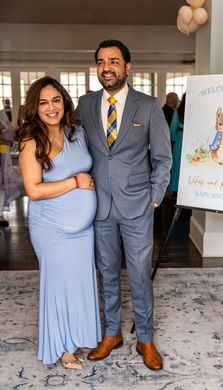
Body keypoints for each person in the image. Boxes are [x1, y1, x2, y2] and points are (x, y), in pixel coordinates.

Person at [76, 39, 172, 371]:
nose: (107, 67)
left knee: (139, 275)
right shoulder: (85, 105)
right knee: (106, 274)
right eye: (101, 61)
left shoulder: (148, 106)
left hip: (137, 206)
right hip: (98, 205)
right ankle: (111, 333)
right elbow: (77, 151)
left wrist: (155, 198)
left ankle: (145, 338)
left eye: (114, 61)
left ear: (127, 67)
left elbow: (162, 158)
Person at [18, 76, 101, 369]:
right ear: (35, 108)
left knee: (78, 285)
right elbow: (34, 190)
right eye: (43, 102)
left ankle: (75, 337)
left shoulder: (77, 132)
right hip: (51, 229)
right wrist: (75, 182)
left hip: (83, 231)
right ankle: (63, 348)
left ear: (64, 102)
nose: (51, 107)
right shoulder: (31, 141)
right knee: (58, 287)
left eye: (56, 100)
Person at [0, 109, 20, 227]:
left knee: (3, 185)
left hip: (3, 155)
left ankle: (0, 213)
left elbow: (9, 136)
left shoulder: (2, 115)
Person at [168, 92, 186, 197]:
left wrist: (174, 139)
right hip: (191, 139)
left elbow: (172, 131)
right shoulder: (197, 111)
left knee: (177, 165)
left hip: (179, 139)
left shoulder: (178, 112)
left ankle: (175, 188)